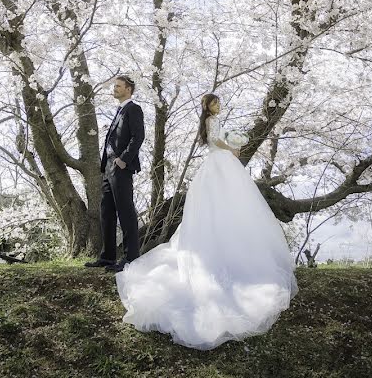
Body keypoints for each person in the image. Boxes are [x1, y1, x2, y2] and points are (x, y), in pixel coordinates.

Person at [115, 93, 298, 350]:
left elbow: (217, 139)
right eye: (215, 103)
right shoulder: (211, 121)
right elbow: (214, 140)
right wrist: (231, 146)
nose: (218, 106)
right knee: (220, 199)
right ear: (208, 106)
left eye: (218, 103)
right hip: (219, 161)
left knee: (231, 201)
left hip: (222, 162)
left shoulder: (215, 119)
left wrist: (232, 145)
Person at [84, 75, 145, 273]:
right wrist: (106, 164)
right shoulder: (119, 111)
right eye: (115, 86)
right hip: (108, 168)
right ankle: (107, 257)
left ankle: (130, 258)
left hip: (121, 167)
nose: (115, 89)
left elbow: (138, 136)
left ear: (128, 89)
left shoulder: (133, 109)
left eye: (118, 86)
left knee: (125, 212)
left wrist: (123, 159)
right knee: (106, 212)